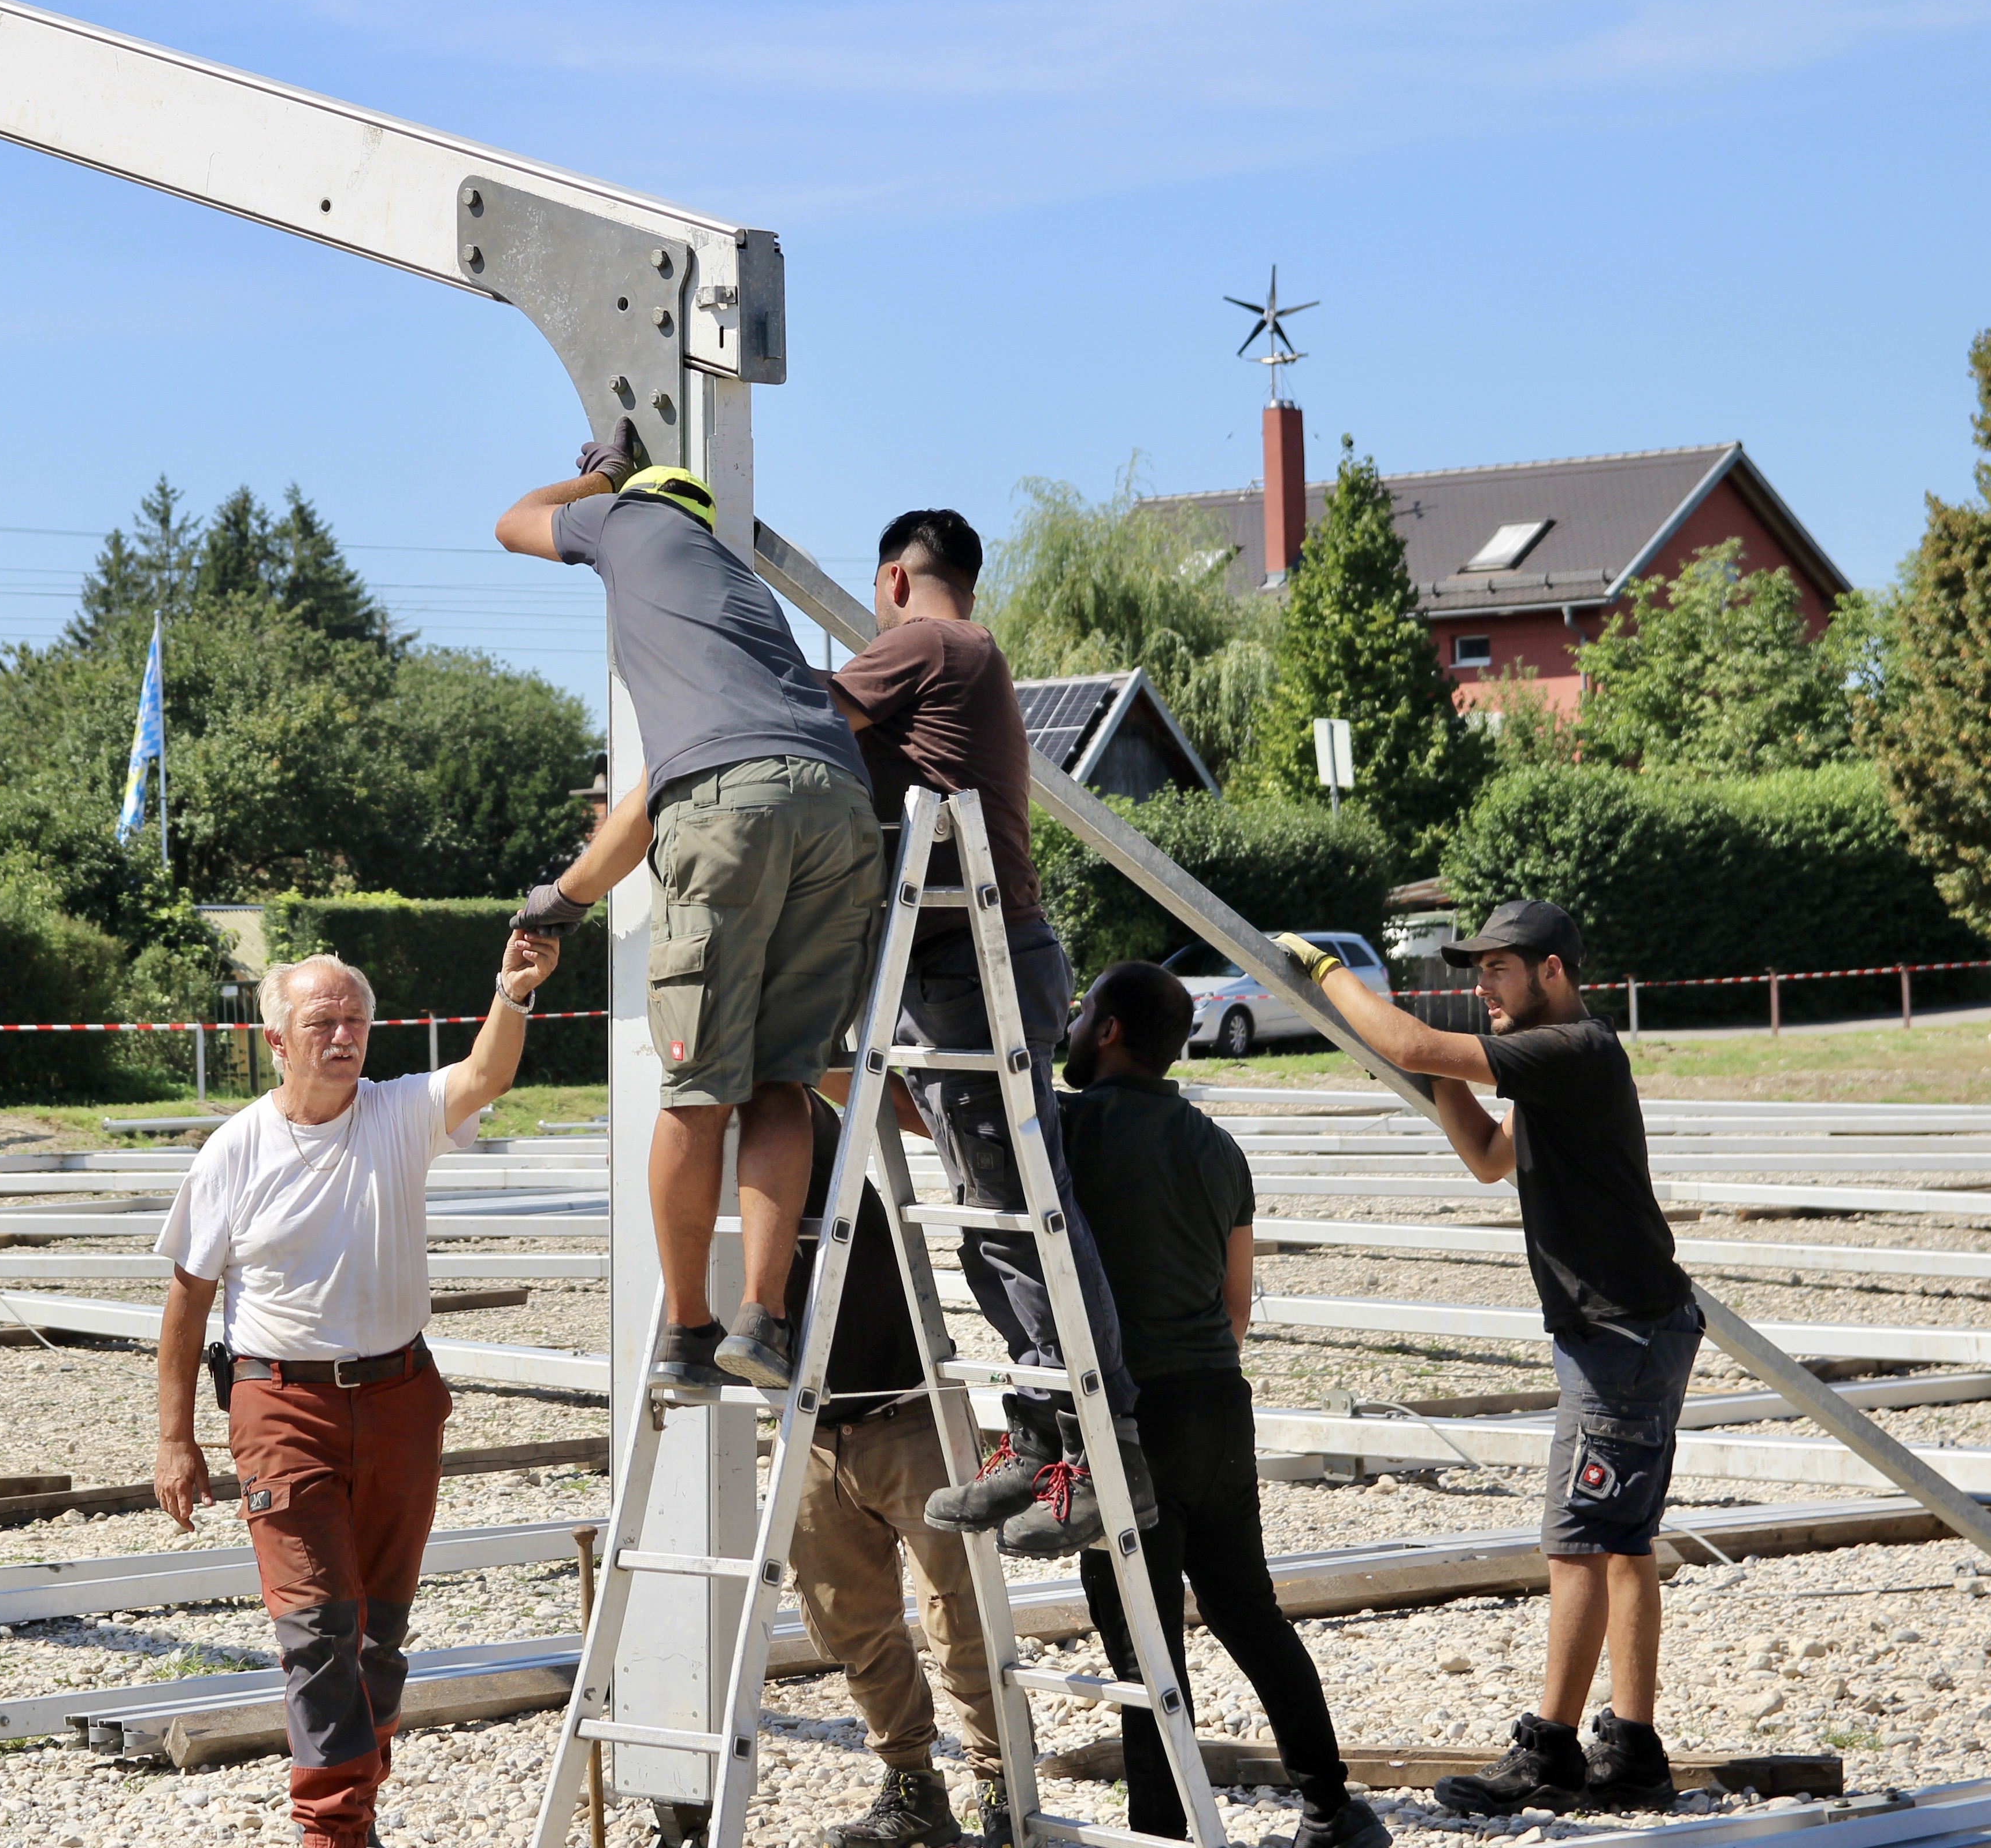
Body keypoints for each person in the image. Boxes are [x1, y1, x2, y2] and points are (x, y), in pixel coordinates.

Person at [1276, 901, 1697, 1815]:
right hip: (1630, 1330)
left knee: (1579, 1541)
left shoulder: (1573, 1048)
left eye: (1499, 969)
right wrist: (1432, 1070)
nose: (1483, 987)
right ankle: (1633, 1754)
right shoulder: (1554, 1068)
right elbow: (1486, 1155)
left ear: (1552, 971)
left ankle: (1550, 1752)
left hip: (1621, 1337)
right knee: (1619, 1543)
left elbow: (1414, 1042)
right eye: (1479, 971)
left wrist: (1328, 974)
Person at [495, 419, 882, 1394]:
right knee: (783, 1081)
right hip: (841, 806)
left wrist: (597, 481)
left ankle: (685, 1327)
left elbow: (513, 522)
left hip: (728, 810)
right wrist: (566, 896)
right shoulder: (740, 598)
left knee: (697, 1089)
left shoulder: (625, 521)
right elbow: (670, 789)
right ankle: (764, 1316)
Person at [151, 931, 561, 1848]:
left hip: (400, 1397)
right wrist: (175, 1439)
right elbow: (186, 1300)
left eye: (356, 1021)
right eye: (322, 1022)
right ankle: (331, 1831)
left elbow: (487, 1073)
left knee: (377, 1631)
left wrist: (513, 994)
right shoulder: (235, 1151)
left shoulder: (398, 1111)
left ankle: (356, 1813)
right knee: (317, 1625)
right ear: (277, 1040)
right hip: (281, 1405)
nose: (343, 1036)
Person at [822, 508, 1148, 1556]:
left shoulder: (928, 641)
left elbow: (805, 716)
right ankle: (1042, 1436)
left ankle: (1101, 1451)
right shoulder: (963, 654)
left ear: (893, 579)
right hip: (963, 962)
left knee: (1018, 1215)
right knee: (993, 1216)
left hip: (973, 963)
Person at [1060, 961, 1387, 1848]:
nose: (1072, 1027)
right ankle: (1332, 1809)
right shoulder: (1218, 1147)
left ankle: (1162, 1835)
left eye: (1083, 1014)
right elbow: (1238, 1307)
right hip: (1217, 1403)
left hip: (1131, 1415)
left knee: (1145, 1645)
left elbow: (942, 1117)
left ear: (1110, 1031)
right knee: (1249, 1613)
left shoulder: (1068, 1128)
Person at [783, 1090, 1012, 1848]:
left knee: (961, 1617)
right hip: (817, 1430)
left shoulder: (799, 1123)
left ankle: (1004, 1791)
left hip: (909, 1413)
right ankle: (913, 1786)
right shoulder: (724, 1148)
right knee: (851, 1623)